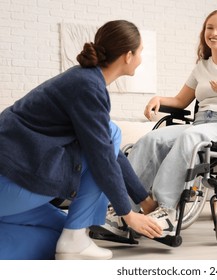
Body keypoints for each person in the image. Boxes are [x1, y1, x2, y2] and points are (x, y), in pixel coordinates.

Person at [0, 20, 162, 260]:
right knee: (111, 135)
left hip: (11, 187)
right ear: (128, 56)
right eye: (140, 52)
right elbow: (103, 157)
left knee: (60, 235)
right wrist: (128, 213)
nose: (141, 58)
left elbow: (109, 152)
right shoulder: (87, 86)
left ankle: (73, 239)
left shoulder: (83, 80)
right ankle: (74, 239)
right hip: (9, 185)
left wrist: (144, 200)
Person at [126, 9, 217, 237]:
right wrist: (158, 99)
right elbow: (181, 101)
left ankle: (165, 210)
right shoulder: (201, 66)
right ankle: (124, 209)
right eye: (209, 28)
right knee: (151, 139)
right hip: (200, 123)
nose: (214, 33)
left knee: (189, 137)